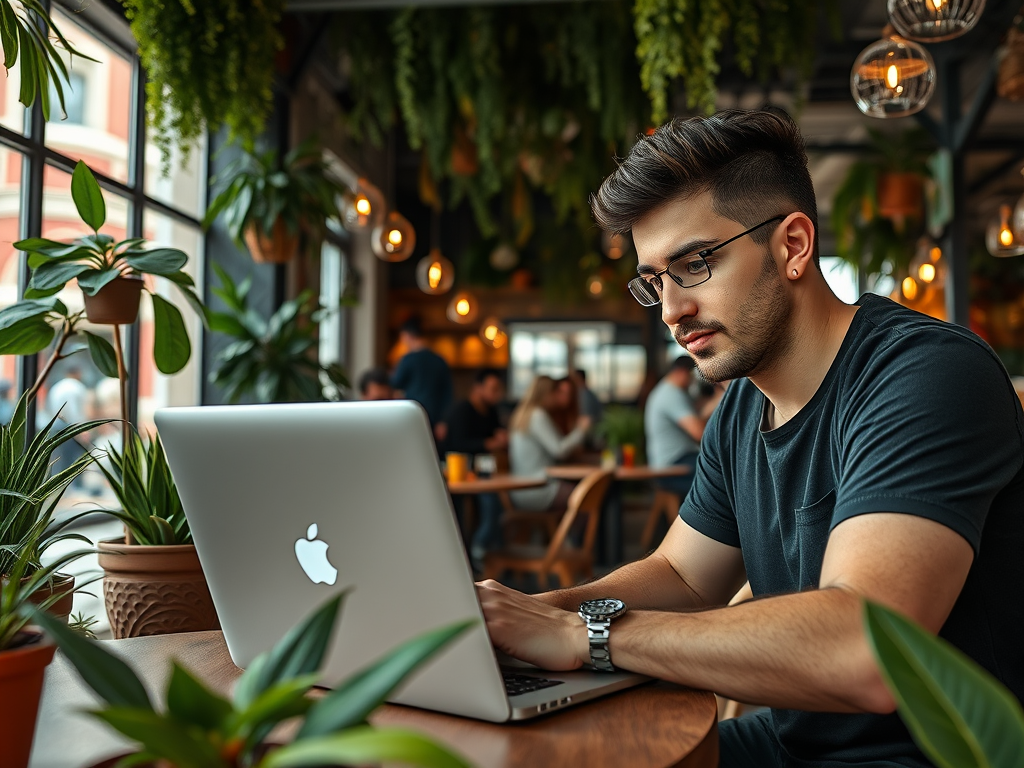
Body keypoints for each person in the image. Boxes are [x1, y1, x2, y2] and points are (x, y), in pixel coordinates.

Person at [477, 108, 1024, 768]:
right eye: (655, 281)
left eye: (695, 263)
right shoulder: (743, 404)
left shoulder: (926, 374)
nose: (673, 311)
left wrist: (583, 634)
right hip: (795, 746)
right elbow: (682, 575)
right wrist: (519, 618)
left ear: (793, 245)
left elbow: (867, 650)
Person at [443, 368, 510, 566]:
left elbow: (496, 433)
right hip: (457, 474)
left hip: (482, 473)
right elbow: (456, 444)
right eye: (493, 389)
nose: (497, 394)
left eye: (499, 389)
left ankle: (489, 556)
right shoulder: (461, 410)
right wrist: (489, 443)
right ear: (477, 388)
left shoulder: (491, 411)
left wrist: (500, 437)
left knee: (496, 504)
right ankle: (476, 552)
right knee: (488, 505)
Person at [507, 375, 591, 513]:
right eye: (555, 392)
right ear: (547, 393)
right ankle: (569, 535)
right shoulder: (537, 415)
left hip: (519, 489)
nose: (558, 397)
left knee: (581, 494)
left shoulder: (522, 414)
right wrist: (581, 430)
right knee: (586, 497)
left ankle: (560, 534)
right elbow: (559, 450)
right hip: (536, 488)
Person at [643, 355, 722, 498]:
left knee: (719, 469)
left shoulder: (673, 392)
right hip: (672, 466)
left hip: (676, 461)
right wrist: (720, 398)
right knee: (721, 474)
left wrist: (716, 399)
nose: (694, 381)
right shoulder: (671, 395)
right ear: (682, 372)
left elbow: (698, 410)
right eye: (692, 376)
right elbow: (698, 432)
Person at [391, 317, 453, 442]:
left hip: (412, 416)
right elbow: (448, 394)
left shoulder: (408, 360)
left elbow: (394, 384)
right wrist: (444, 421)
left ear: (407, 336)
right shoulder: (439, 360)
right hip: (435, 419)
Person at [46, 365, 89, 488]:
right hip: (70, 427)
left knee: (59, 458)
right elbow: (75, 411)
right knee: (73, 459)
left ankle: (56, 486)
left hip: (56, 426)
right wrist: (82, 430)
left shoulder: (57, 387)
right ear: (77, 373)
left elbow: (50, 409)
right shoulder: (76, 388)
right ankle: (73, 487)